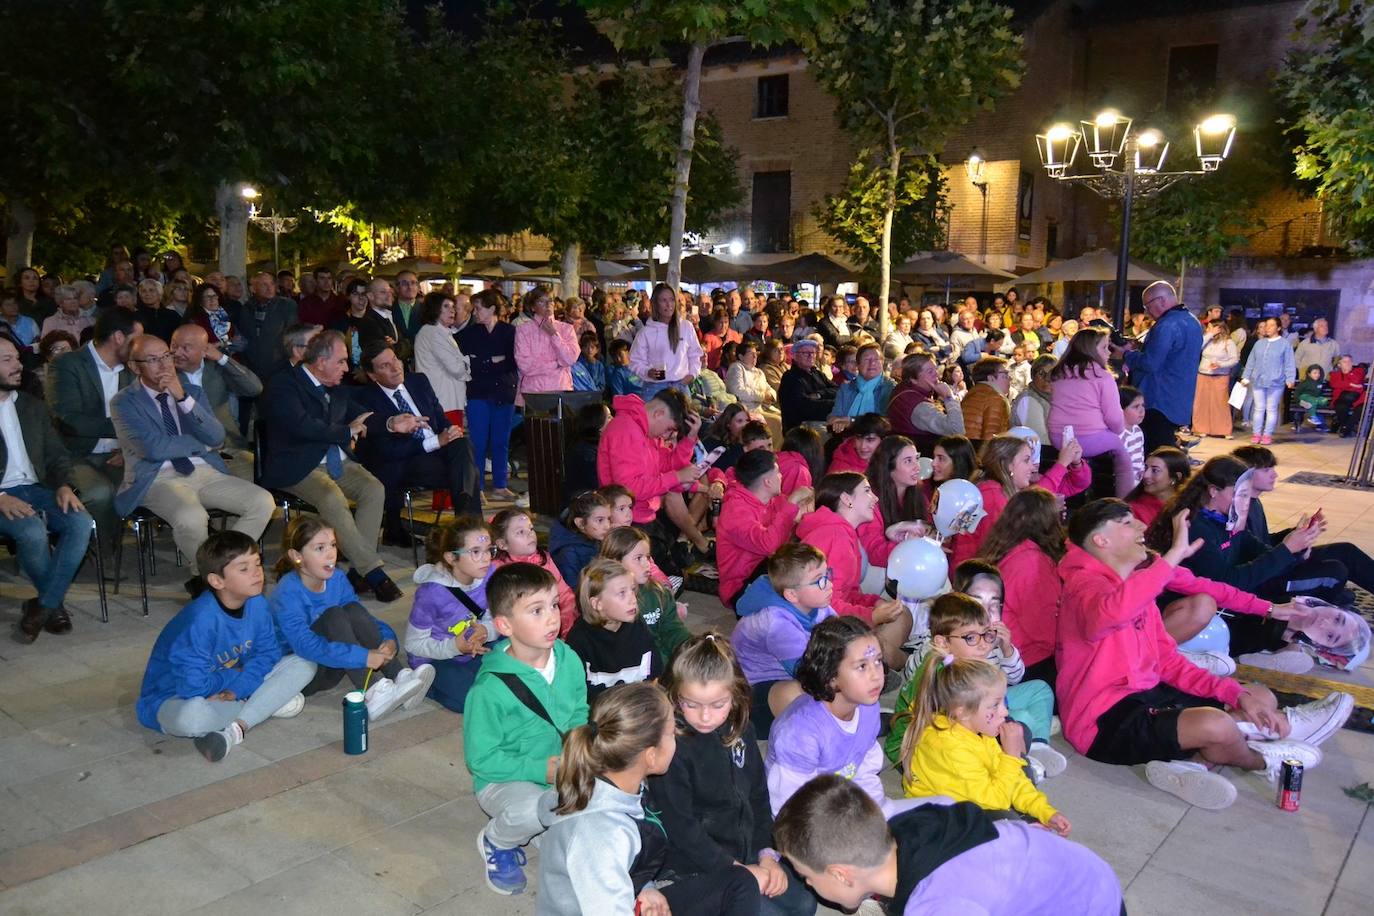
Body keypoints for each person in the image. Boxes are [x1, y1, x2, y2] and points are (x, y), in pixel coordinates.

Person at [1058, 498, 1351, 808]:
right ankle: (1264, 757)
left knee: (1258, 697)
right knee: (1216, 725)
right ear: (1100, 540)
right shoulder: (1083, 587)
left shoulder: (1134, 582)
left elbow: (1168, 661)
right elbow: (1110, 614)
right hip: (1103, 723)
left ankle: (1193, 764)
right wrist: (1170, 558)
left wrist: (1234, 693)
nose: (1142, 527)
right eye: (1128, 524)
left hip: (1147, 694)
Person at [536, 681, 761, 916]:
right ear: (651, 756)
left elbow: (624, 864)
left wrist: (645, 887)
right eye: (673, 734)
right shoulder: (600, 836)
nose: (678, 739)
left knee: (740, 882)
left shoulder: (617, 782)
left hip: (627, 897)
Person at [771, 775, 1123, 916]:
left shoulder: (938, 904)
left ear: (843, 875)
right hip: (1086, 878)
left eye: (807, 875)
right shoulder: (905, 831)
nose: (806, 884)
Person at [651, 633, 816, 916]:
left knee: (805, 902)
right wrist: (736, 870)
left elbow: (758, 795)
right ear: (675, 697)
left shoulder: (741, 730)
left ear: (735, 695)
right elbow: (681, 828)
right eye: (691, 704)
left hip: (745, 850)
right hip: (694, 866)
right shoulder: (671, 748)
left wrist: (767, 855)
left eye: (718, 705)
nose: (705, 717)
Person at [111, 334, 275, 594]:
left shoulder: (192, 392)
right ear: (134, 366)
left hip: (205, 471)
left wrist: (182, 397)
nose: (164, 365)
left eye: (166, 356)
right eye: (153, 360)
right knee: (192, 517)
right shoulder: (124, 402)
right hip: (157, 477)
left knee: (262, 501)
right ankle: (214, 579)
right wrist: (200, 445)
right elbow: (154, 448)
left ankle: (215, 572)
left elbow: (216, 437)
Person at [463, 562, 590, 896]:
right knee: (531, 810)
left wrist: (581, 754)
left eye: (553, 605)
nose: (552, 617)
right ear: (504, 625)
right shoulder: (488, 690)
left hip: (559, 770)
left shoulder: (568, 658)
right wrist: (539, 769)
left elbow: (579, 712)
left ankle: (541, 825)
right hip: (504, 778)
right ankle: (497, 840)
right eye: (536, 610)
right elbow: (482, 761)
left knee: (591, 821)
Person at [134, 532, 317, 763]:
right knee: (192, 719)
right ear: (217, 581)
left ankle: (241, 724)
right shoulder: (200, 620)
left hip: (226, 689)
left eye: (257, 563)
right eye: (244, 569)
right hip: (174, 696)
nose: (257, 572)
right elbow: (193, 687)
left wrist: (236, 690)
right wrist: (235, 677)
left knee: (305, 664)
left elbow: (267, 653)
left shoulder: (257, 603)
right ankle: (265, 703)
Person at [259, 330, 403, 602]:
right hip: (298, 465)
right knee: (331, 497)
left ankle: (358, 573)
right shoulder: (283, 385)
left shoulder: (337, 388)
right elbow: (302, 426)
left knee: (374, 489)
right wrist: (346, 431)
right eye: (341, 361)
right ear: (321, 361)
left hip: (336, 462)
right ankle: (373, 573)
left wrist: (390, 423)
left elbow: (360, 414)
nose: (347, 368)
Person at [270, 516, 432, 718]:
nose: (330, 554)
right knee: (334, 615)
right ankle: (371, 692)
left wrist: (388, 639)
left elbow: (361, 617)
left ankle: (399, 675)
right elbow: (306, 646)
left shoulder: (337, 577)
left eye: (333, 545)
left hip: (337, 662)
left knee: (352, 609)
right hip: (305, 672)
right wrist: (363, 657)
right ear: (297, 556)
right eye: (320, 548)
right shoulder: (287, 593)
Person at [765, 616, 921, 819]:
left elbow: (865, 769)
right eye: (862, 666)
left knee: (945, 810)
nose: (877, 675)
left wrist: (878, 813)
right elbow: (789, 809)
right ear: (830, 676)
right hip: (806, 819)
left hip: (843, 803)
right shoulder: (800, 732)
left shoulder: (868, 708)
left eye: (878, 661)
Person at [897, 655, 1068, 833]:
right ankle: (1023, 826)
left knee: (1021, 770)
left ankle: (1026, 822)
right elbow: (995, 801)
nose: (1005, 711)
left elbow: (1013, 780)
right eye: (995, 705)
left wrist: (1046, 812)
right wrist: (1011, 756)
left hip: (978, 797)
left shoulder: (979, 732)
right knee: (1006, 822)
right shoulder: (948, 746)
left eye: (1003, 702)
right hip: (939, 816)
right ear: (962, 712)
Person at [0, 332, 93, 643]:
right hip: (2, 495)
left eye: (16, 358)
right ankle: (52, 606)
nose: (19, 366)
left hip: (36, 487)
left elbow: (56, 454)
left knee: (80, 522)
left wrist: (65, 485)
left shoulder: (30, 404)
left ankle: (44, 605)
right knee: (30, 531)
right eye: (7, 360)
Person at [353, 342, 480, 543]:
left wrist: (450, 431)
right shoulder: (365, 399)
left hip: (438, 451)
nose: (395, 367)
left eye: (395, 359)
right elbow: (386, 451)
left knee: (463, 446)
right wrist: (434, 443)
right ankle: (469, 528)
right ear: (372, 375)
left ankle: (465, 523)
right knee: (466, 471)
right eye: (385, 366)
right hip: (404, 461)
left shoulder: (418, 381)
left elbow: (439, 417)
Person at [796, 472, 913, 669]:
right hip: (817, 630)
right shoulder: (834, 535)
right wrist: (872, 616)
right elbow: (825, 605)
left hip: (830, 621)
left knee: (901, 614)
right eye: (867, 491)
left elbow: (848, 591)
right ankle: (904, 665)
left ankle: (871, 665)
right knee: (885, 647)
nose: (875, 498)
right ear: (846, 499)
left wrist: (872, 603)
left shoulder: (842, 532)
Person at [49, 308, 140, 554]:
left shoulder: (132, 369)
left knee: (141, 483)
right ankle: (98, 551)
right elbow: (68, 419)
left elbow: (142, 415)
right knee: (101, 493)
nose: (139, 346)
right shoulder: (68, 364)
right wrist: (122, 429)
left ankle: (105, 547)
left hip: (118, 454)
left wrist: (126, 445)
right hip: (74, 454)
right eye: (136, 339)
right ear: (119, 338)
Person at [1231, 444, 1374, 600]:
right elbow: (1254, 561)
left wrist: (1296, 533)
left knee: (1346, 551)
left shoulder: (1254, 502)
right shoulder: (1237, 511)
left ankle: (1332, 592)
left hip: (1276, 561)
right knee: (1335, 571)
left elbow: (1264, 540)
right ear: (1246, 474)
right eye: (1266, 470)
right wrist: (1296, 553)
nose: (1275, 475)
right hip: (1264, 578)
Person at [597, 388, 710, 571]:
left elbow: (667, 464)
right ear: (658, 414)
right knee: (668, 577)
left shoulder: (643, 430)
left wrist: (689, 439)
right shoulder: (626, 429)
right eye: (669, 429)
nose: (665, 435)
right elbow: (629, 489)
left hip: (644, 515)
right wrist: (677, 477)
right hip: (628, 519)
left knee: (671, 574)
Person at [731, 543, 837, 734]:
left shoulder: (817, 604)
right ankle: (832, 726)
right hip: (751, 698)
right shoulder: (776, 623)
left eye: (827, 574)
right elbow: (807, 674)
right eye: (819, 580)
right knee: (804, 691)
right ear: (792, 594)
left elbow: (841, 639)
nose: (829, 584)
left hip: (788, 675)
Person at [949, 434, 1087, 567]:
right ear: (1008, 464)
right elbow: (1005, 543)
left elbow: (1077, 483)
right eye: (1026, 460)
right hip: (973, 576)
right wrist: (1062, 464)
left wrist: (1075, 463)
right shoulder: (990, 496)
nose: (1032, 467)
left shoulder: (990, 489)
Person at [716, 449, 813, 608]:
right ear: (767, 481)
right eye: (778, 473)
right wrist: (793, 502)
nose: (781, 476)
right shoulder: (735, 511)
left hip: (764, 571)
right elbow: (768, 545)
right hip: (740, 587)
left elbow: (796, 515)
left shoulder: (772, 500)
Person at [1119, 281, 1204, 455]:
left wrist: (1127, 354)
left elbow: (1151, 363)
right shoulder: (1192, 321)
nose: (1146, 312)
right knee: (1165, 450)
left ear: (1161, 301)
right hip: (1178, 398)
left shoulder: (1166, 325)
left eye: (1147, 306)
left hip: (1157, 399)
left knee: (1154, 453)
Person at [1047, 329, 1132, 497]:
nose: (1109, 352)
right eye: (1105, 347)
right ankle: (1125, 503)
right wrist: (1117, 432)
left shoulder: (1059, 373)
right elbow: (1114, 418)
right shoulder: (1102, 376)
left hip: (1058, 437)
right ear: (1091, 350)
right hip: (1088, 438)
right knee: (1123, 454)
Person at [169, 324, 262, 471]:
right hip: (189, 454)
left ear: (204, 349)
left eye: (186, 348)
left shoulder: (216, 369)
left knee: (252, 481)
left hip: (229, 448)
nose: (177, 352)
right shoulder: (167, 377)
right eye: (173, 346)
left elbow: (254, 388)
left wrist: (221, 358)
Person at [455, 289, 520, 501]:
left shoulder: (509, 331)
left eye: (479, 308)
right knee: (478, 441)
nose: (475, 312)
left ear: (492, 308)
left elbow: (512, 361)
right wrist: (491, 361)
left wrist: (485, 362)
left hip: (504, 392)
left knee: (501, 441)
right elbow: (468, 362)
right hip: (478, 393)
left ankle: (500, 484)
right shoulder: (470, 333)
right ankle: (478, 486)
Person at [566, 557, 661, 699]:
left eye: (633, 590)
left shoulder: (638, 627)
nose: (633, 600)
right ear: (597, 604)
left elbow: (653, 676)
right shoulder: (579, 640)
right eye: (622, 593)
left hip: (639, 707)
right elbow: (575, 695)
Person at [600, 526, 692, 665]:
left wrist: (692, 647)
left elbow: (673, 629)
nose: (647, 564)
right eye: (638, 558)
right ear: (615, 562)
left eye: (648, 557)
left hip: (662, 664)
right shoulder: (609, 602)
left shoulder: (658, 593)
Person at [491, 508, 579, 637]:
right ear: (502, 544)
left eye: (531, 529)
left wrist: (567, 633)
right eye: (520, 532)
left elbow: (565, 596)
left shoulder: (544, 559)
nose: (530, 534)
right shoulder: (496, 571)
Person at [631, 283, 705, 399]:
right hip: (654, 388)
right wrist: (647, 371)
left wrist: (692, 375)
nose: (668, 304)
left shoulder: (686, 327)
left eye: (671, 300)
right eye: (663, 300)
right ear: (655, 304)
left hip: (681, 385)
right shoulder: (646, 332)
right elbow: (635, 361)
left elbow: (695, 354)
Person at [413, 290, 472, 425]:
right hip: (444, 400)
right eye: (446, 306)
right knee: (451, 442)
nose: (452, 311)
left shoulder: (439, 332)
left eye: (453, 307)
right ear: (434, 309)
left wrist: (463, 362)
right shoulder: (433, 333)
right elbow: (456, 368)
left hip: (446, 399)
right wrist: (468, 361)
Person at [886, 353, 965, 453]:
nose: (937, 374)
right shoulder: (919, 406)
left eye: (935, 369)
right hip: (922, 460)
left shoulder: (902, 389)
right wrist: (949, 397)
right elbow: (957, 431)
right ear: (913, 379)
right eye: (930, 372)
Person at [514, 285, 579, 404]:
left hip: (561, 390)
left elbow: (570, 358)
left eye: (550, 300)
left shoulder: (566, 329)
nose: (547, 304)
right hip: (533, 393)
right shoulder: (523, 330)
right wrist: (556, 364)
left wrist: (554, 335)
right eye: (541, 301)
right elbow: (525, 366)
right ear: (533, 307)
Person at [1240, 316, 1296, 446]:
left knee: (1271, 408)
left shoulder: (1284, 344)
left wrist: (1290, 378)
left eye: (1271, 325)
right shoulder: (1259, 343)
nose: (1267, 328)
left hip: (1275, 381)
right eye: (1266, 325)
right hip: (1258, 380)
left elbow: (1289, 362)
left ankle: (1267, 434)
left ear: (1278, 328)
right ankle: (1256, 433)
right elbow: (1251, 361)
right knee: (1259, 408)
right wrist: (1246, 376)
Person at [549, 490, 614, 601]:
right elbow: (572, 592)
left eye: (608, 519)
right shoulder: (568, 553)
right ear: (580, 523)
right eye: (599, 520)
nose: (607, 526)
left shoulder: (597, 539)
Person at [238, 272, 299, 383]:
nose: (269, 288)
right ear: (253, 288)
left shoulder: (287, 305)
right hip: (253, 368)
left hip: (280, 366)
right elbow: (244, 336)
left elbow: (292, 335)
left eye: (271, 284)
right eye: (264, 284)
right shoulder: (246, 308)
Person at [1192, 318, 1239, 438]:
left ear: (1219, 328)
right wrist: (1209, 335)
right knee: (1202, 402)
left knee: (1220, 403)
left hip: (1220, 375)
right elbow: (1196, 346)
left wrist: (1220, 365)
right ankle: (1200, 428)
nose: (1208, 329)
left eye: (1211, 327)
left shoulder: (1229, 342)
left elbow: (1234, 359)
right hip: (1203, 373)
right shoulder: (1207, 340)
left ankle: (1223, 430)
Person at [777, 338, 836, 431]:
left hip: (824, 418)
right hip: (801, 427)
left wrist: (820, 394)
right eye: (805, 353)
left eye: (813, 353)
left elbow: (837, 390)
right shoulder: (790, 377)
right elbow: (804, 407)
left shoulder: (817, 373)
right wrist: (833, 404)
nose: (810, 356)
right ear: (795, 356)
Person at [1126, 445, 1190, 527]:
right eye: (1145, 468)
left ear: (1176, 477)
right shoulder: (1135, 511)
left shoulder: (1189, 505)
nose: (1146, 475)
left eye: (1155, 470)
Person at [829, 344, 894, 424]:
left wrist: (852, 422)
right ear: (858, 364)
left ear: (882, 363)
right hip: (846, 434)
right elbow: (835, 415)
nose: (872, 363)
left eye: (876, 359)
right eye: (867, 359)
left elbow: (886, 422)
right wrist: (835, 421)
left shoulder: (890, 388)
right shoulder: (846, 388)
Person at [959, 357, 1012, 442]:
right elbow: (991, 439)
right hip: (979, 452)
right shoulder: (995, 398)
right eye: (1005, 375)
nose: (1010, 378)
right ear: (990, 378)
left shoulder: (971, 394)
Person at [1328, 354, 1367, 437]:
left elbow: (1357, 381)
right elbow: (1334, 384)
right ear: (1339, 364)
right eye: (1345, 362)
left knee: (1361, 408)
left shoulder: (1358, 371)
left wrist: (1349, 375)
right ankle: (1346, 428)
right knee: (1341, 406)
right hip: (1342, 398)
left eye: (1350, 361)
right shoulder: (1334, 374)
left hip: (1358, 398)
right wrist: (1351, 384)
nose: (1348, 363)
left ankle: (1345, 428)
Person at [1118, 385, 1146, 489]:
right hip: (1127, 485)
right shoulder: (1120, 435)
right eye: (1135, 407)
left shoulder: (1138, 430)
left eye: (1142, 405)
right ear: (1121, 410)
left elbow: (1140, 460)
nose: (1142, 410)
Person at [1294, 364, 1330, 429]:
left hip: (1315, 399)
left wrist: (1322, 399)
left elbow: (1321, 393)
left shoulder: (1320, 383)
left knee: (1323, 400)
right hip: (1304, 397)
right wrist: (1299, 401)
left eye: (1318, 373)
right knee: (1312, 400)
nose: (1317, 375)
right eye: (1315, 373)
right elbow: (1297, 394)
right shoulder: (1304, 383)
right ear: (1309, 374)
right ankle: (1312, 417)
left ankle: (1311, 406)